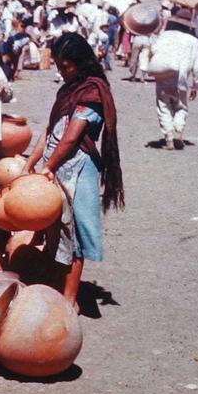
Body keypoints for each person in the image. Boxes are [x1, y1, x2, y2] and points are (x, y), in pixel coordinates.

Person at [23, 33, 124, 310]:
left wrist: (48, 166)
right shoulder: (68, 91)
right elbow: (51, 129)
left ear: (81, 63)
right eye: (58, 64)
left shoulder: (92, 93)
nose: (61, 71)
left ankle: (70, 300)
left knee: (74, 234)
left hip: (78, 170)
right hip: (56, 167)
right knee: (56, 230)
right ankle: (57, 287)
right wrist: (31, 162)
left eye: (66, 66)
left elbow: (70, 136)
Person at [149, 8, 198, 150]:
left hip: (163, 78)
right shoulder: (193, 41)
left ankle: (169, 140)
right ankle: (178, 129)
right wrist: (196, 84)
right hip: (182, 81)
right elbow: (196, 66)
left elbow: (153, 52)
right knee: (181, 107)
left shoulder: (164, 36)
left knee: (163, 107)